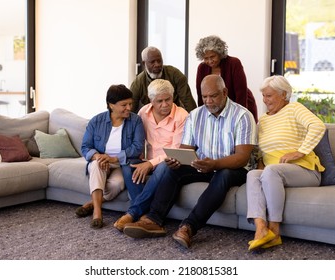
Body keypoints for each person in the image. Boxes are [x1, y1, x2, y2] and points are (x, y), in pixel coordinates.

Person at [123, 74, 257, 248]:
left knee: (223, 175)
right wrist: (177, 160)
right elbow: (186, 149)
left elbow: (242, 157)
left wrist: (215, 164)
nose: (208, 101)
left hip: (234, 168)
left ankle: (189, 227)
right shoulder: (195, 115)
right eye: (204, 97)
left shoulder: (242, 116)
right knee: (170, 169)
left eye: (213, 96)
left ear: (224, 92)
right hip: (203, 164)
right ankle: (153, 220)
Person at [246, 75, 326, 251]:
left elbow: (317, 126)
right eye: (264, 96)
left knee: (271, 171)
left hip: (304, 170)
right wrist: (260, 164)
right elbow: (260, 150)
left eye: (269, 95)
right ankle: (261, 229)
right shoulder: (264, 120)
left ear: (284, 95)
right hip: (275, 172)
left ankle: (274, 230)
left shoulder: (294, 109)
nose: (265, 100)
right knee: (253, 175)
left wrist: (300, 151)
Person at [114, 79, 189, 231]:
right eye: (159, 101)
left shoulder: (182, 116)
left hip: (169, 163)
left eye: (168, 99)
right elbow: (139, 141)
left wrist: (150, 164)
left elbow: (175, 152)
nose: (165, 104)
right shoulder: (143, 113)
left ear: (172, 97)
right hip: (147, 159)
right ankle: (146, 214)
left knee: (163, 167)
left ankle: (133, 212)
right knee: (128, 165)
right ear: (151, 100)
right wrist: (142, 161)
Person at [76, 84, 145, 229]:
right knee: (95, 165)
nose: (129, 108)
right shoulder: (96, 121)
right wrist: (98, 156)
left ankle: (93, 203)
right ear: (111, 105)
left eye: (130, 104)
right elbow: (85, 147)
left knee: (116, 184)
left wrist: (114, 158)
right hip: (101, 162)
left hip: (122, 163)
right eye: (124, 105)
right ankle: (97, 212)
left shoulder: (135, 121)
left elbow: (137, 147)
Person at [195, 35, 258, 122]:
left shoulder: (234, 63)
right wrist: (203, 116)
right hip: (216, 108)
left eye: (213, 57)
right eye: (206, 58)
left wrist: (240, 116)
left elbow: (241, 93)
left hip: (240, 103)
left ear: (220, 53)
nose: (210, 61)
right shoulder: (202, 68)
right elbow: (201, 94)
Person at [130, 46, 197, 114]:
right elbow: (131, 109)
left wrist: (195, 119)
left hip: (174, 115)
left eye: (159, 61)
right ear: (144, 63)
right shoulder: (137, 83)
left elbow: (188, 102)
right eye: (152, 62)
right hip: (150, 117)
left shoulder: (175, 75)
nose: (157, 65)